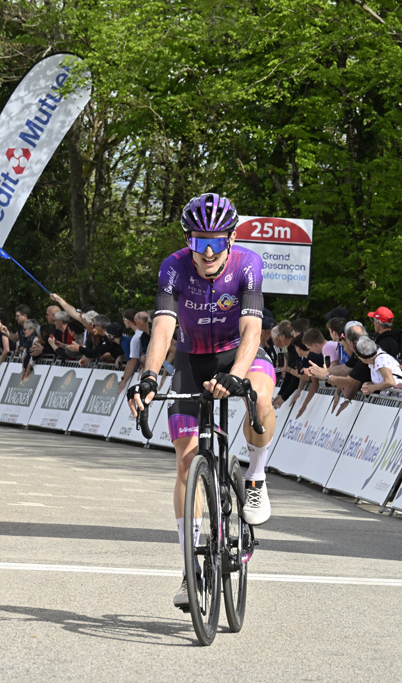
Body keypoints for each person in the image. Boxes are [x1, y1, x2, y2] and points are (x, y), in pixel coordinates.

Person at [126, 192, 276, 610]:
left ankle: (256, 479)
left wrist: (237, 376)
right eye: (198, 242)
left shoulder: (249, 265)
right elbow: (162, 327)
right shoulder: (173, 268)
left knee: (261, 397)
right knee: (186, 461)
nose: (207, 252)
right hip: (192, 358)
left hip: (238, 353)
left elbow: (251, 330)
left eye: (215, 242)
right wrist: (150, 375)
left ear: (230, 239)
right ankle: (190, 567)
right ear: (187, 240)